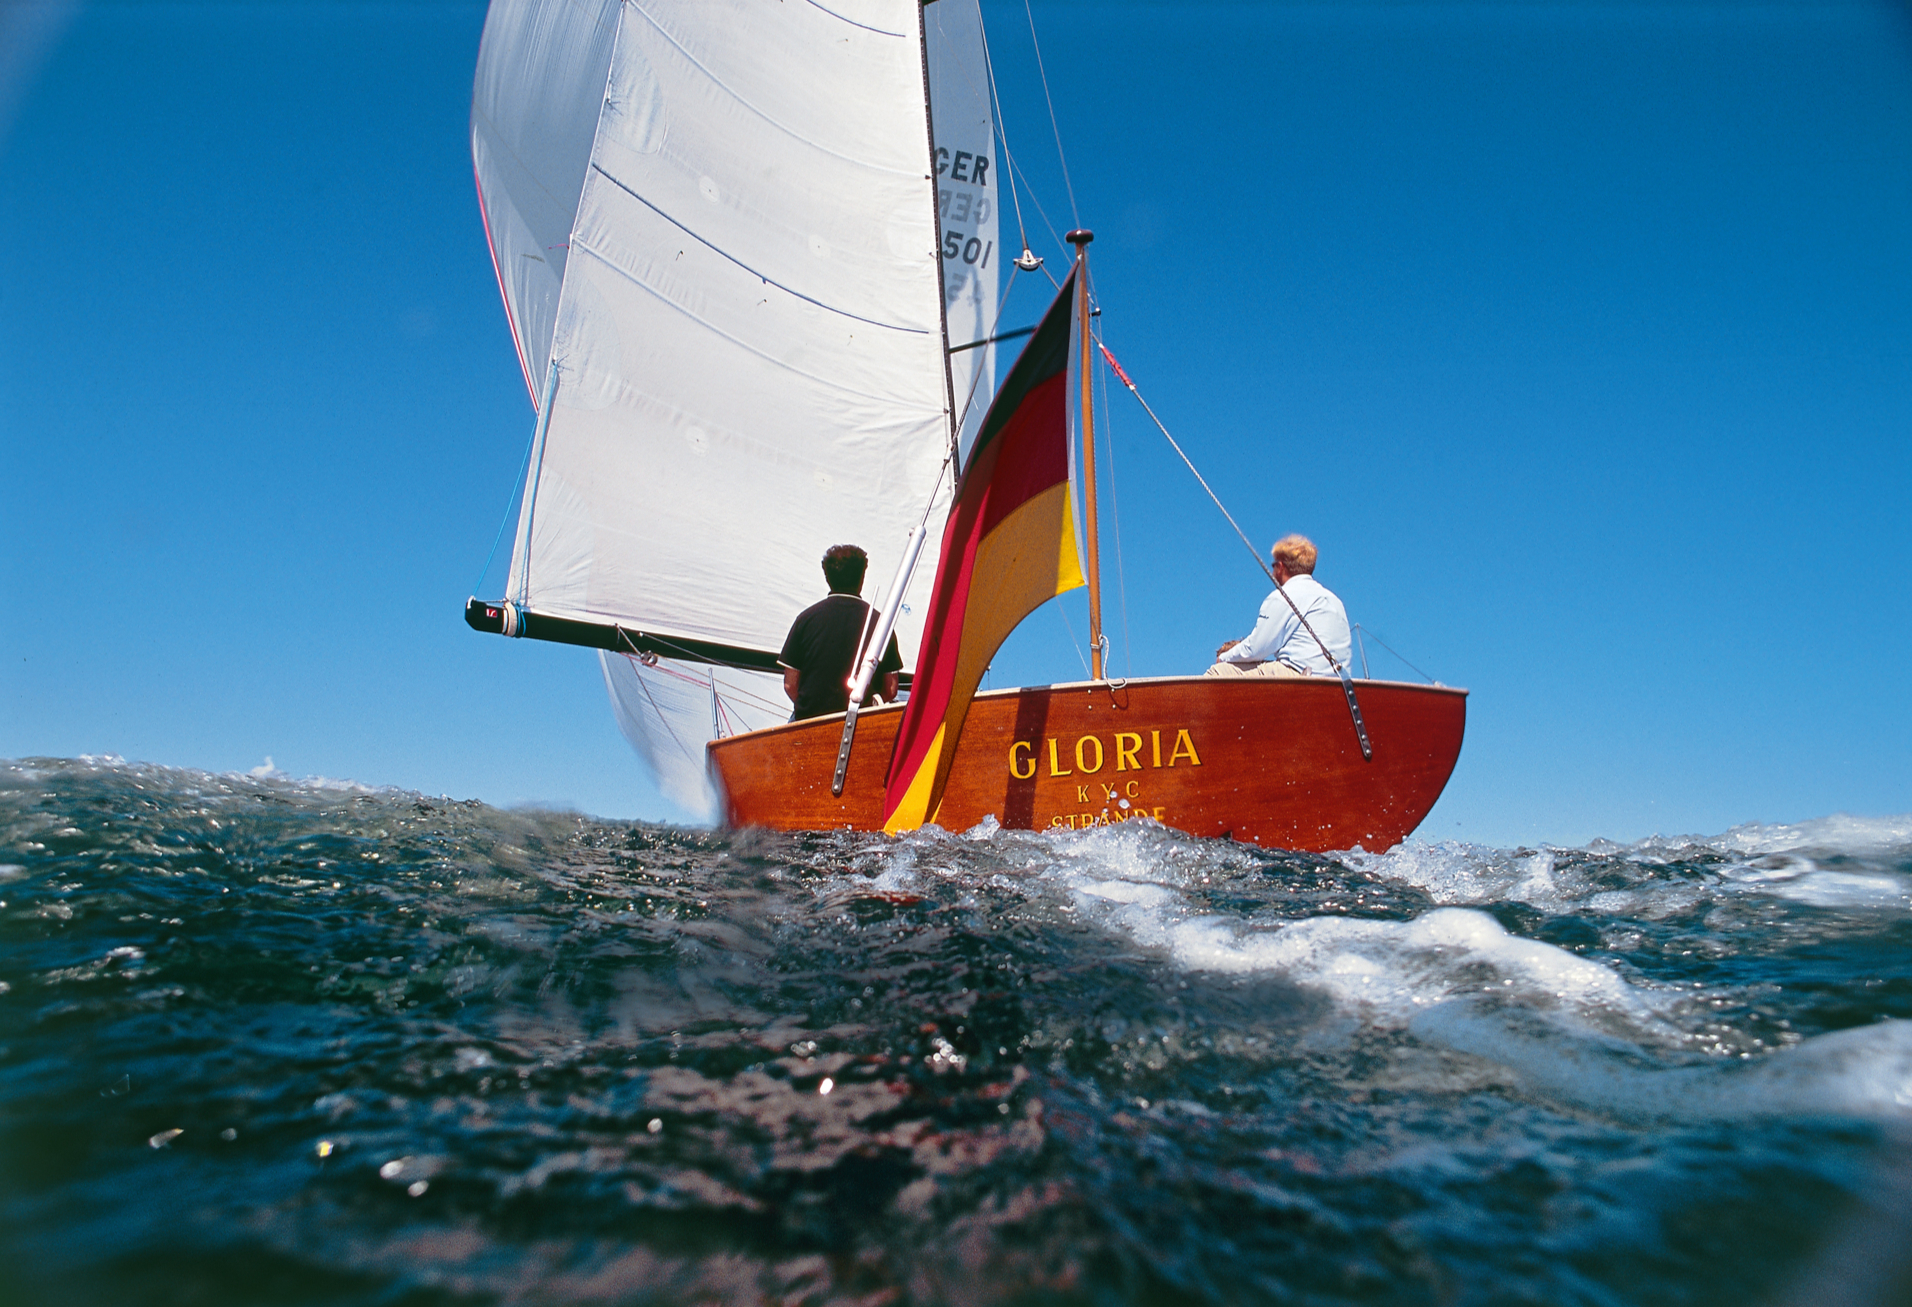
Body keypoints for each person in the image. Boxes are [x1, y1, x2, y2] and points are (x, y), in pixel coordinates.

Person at [779, 544, 904, 721]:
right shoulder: (881, 624)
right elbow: (891, 689)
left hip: (809, 722)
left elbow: (790, 684)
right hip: (860, 723)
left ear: (827, 577)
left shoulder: (805, 620)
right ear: (862, 577)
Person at [1205, 534, 1351, 678]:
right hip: (1338, 682)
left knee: (1218, 672)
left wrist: (1223, 657)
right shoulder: (1335, 600)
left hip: (1301, 677)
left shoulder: (1282, 596)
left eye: (1274, 565)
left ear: (1280, 567)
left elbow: (1256, 648)